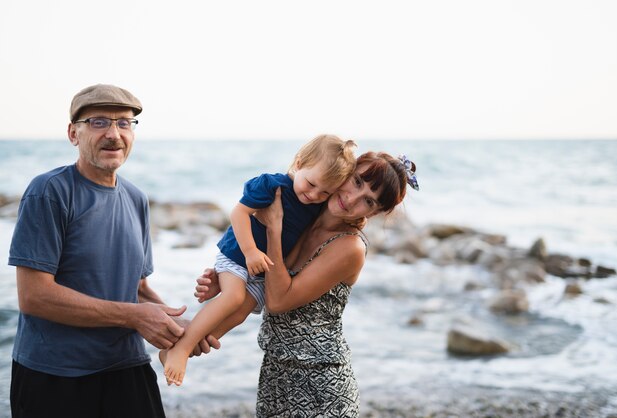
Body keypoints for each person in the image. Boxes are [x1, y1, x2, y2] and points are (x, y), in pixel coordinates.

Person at [8, 84, 216, 418]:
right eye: (99, 122)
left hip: (126, 368)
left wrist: (180, 330)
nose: (114, 134)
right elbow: (34, 296)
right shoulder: (48, 191)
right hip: (56, 376)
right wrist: (135, 316)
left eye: (124, 123)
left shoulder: (136, 199)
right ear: (73, 133)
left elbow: (137, 290)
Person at [195, 151, 419, 417]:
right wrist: (226, 279)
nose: (352, 199)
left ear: (377, 212)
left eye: (368, 201)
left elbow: (278, 301)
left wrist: (274, 230)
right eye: (357, 182)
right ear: (345, 171)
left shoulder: (349, 246)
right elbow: (263, 269)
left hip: (321, 385)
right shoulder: (305, 213)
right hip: (276, 373)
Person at [160, 134, 358, 386]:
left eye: (324, 192)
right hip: (238, 255)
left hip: (263, 271)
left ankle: (186, 346)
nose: (314, 194)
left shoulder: (317, 205)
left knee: (241, 312)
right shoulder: (272, 185)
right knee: (232, 298)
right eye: (311, 184)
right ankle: (182, 349)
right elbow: (239, 212)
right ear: (299, 163)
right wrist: (251, 251)